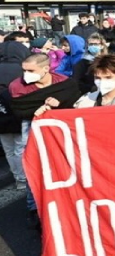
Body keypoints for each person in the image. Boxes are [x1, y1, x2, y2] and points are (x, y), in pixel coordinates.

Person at [9, 53, 81, 229]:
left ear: (46, 69)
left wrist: (59, 101)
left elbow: (73, 97)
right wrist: (40, 108)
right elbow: (19, 110)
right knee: (33, 166)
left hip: (60, 129)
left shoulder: (64, 82)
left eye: (30, 70)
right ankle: (33, 207)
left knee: (64, 166)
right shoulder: (17, 86)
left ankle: (67, 203)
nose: (26, 74)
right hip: (31, 127)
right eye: (24, 70)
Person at [0, 40, 29, 189]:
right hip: (18, 111)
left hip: (1, 114)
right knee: (20, 148)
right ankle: (24, 179)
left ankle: (18, 178)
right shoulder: (23, 68)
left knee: (9, 150)